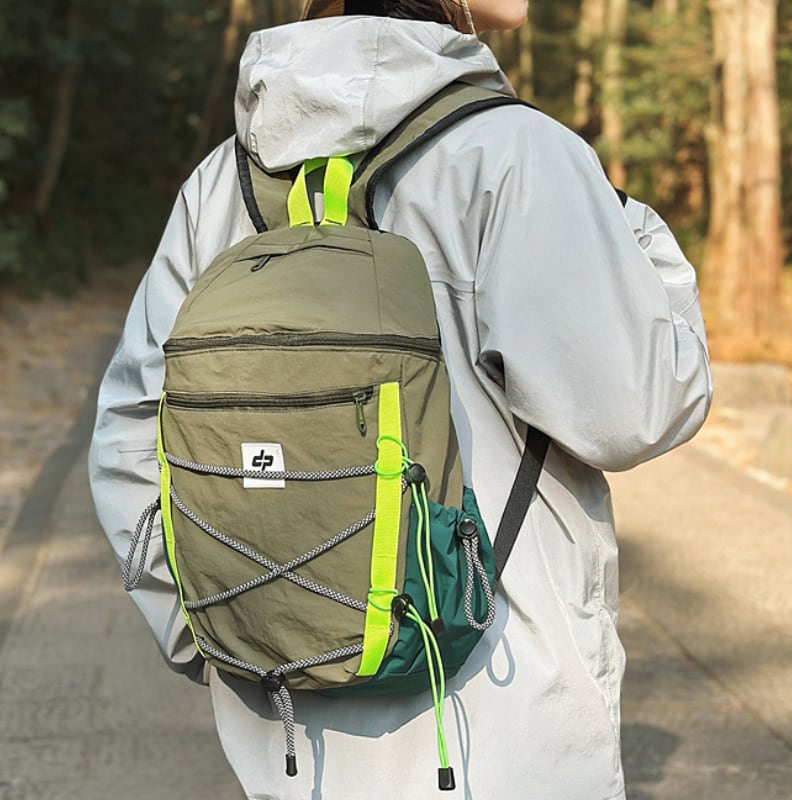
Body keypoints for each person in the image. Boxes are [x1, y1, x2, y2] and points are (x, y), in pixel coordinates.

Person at [88, 1, 712, 798]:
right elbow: (640, 409)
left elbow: (131, 433)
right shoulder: (519, 157)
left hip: (287, 737)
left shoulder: (220, 182)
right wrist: (640, 233)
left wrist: (218, 632)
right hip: (503, 731)